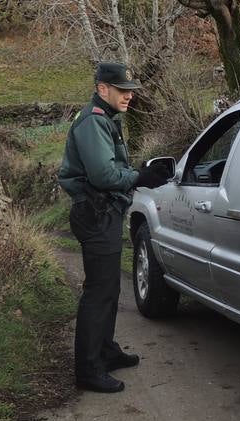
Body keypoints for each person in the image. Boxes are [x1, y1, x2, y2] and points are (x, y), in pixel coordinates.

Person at [58, 62, 170, 393]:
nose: (129, 96)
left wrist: (136, 175)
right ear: (102, 88)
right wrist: (140, 177)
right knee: (99, 292)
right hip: (95, 213)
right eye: (122, 90)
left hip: (102, 211)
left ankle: (104, 351)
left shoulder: (104, 118)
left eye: (130, 91)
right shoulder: (94, 120)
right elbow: (103, 175)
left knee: (109, 289)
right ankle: (88, 369)